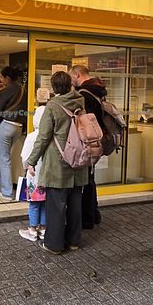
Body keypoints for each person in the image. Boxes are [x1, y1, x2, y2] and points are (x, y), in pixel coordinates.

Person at [27, 70, 88, 254]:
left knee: (56, 206)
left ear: (54, 87)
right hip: (79, 159)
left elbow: (43, 137)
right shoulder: (80, 102)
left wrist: (32, 161)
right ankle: (74, 241)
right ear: (70, 84)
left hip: (58, 163)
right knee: (75, 204)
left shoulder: (53, 106)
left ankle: (54, 244)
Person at [70, 66, 106, 228]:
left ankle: (87, 218)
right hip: (97, 140)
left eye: (72, 76)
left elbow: (82, 122)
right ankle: (94, 213)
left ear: (77, 74)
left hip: (87, 142)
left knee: (86, 181)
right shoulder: (97, 90)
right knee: (90, 179)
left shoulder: (84, 95)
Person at [0, 66, 26, 200]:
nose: (1, 80)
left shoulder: (6, 90)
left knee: (3, 158)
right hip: (18, 127)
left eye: (1, 77)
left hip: (7, 125)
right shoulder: (24, 89)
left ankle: (6, 192)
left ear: (7, 78)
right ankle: (2, 185)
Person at [19, 105, 47, 242]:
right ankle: (43, 229)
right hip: (46, 177)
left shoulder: (31, 137)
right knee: (45, 203)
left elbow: (25, 159)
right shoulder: (51, 137)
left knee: (34, 203)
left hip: (32, 178)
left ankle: (32, 230)